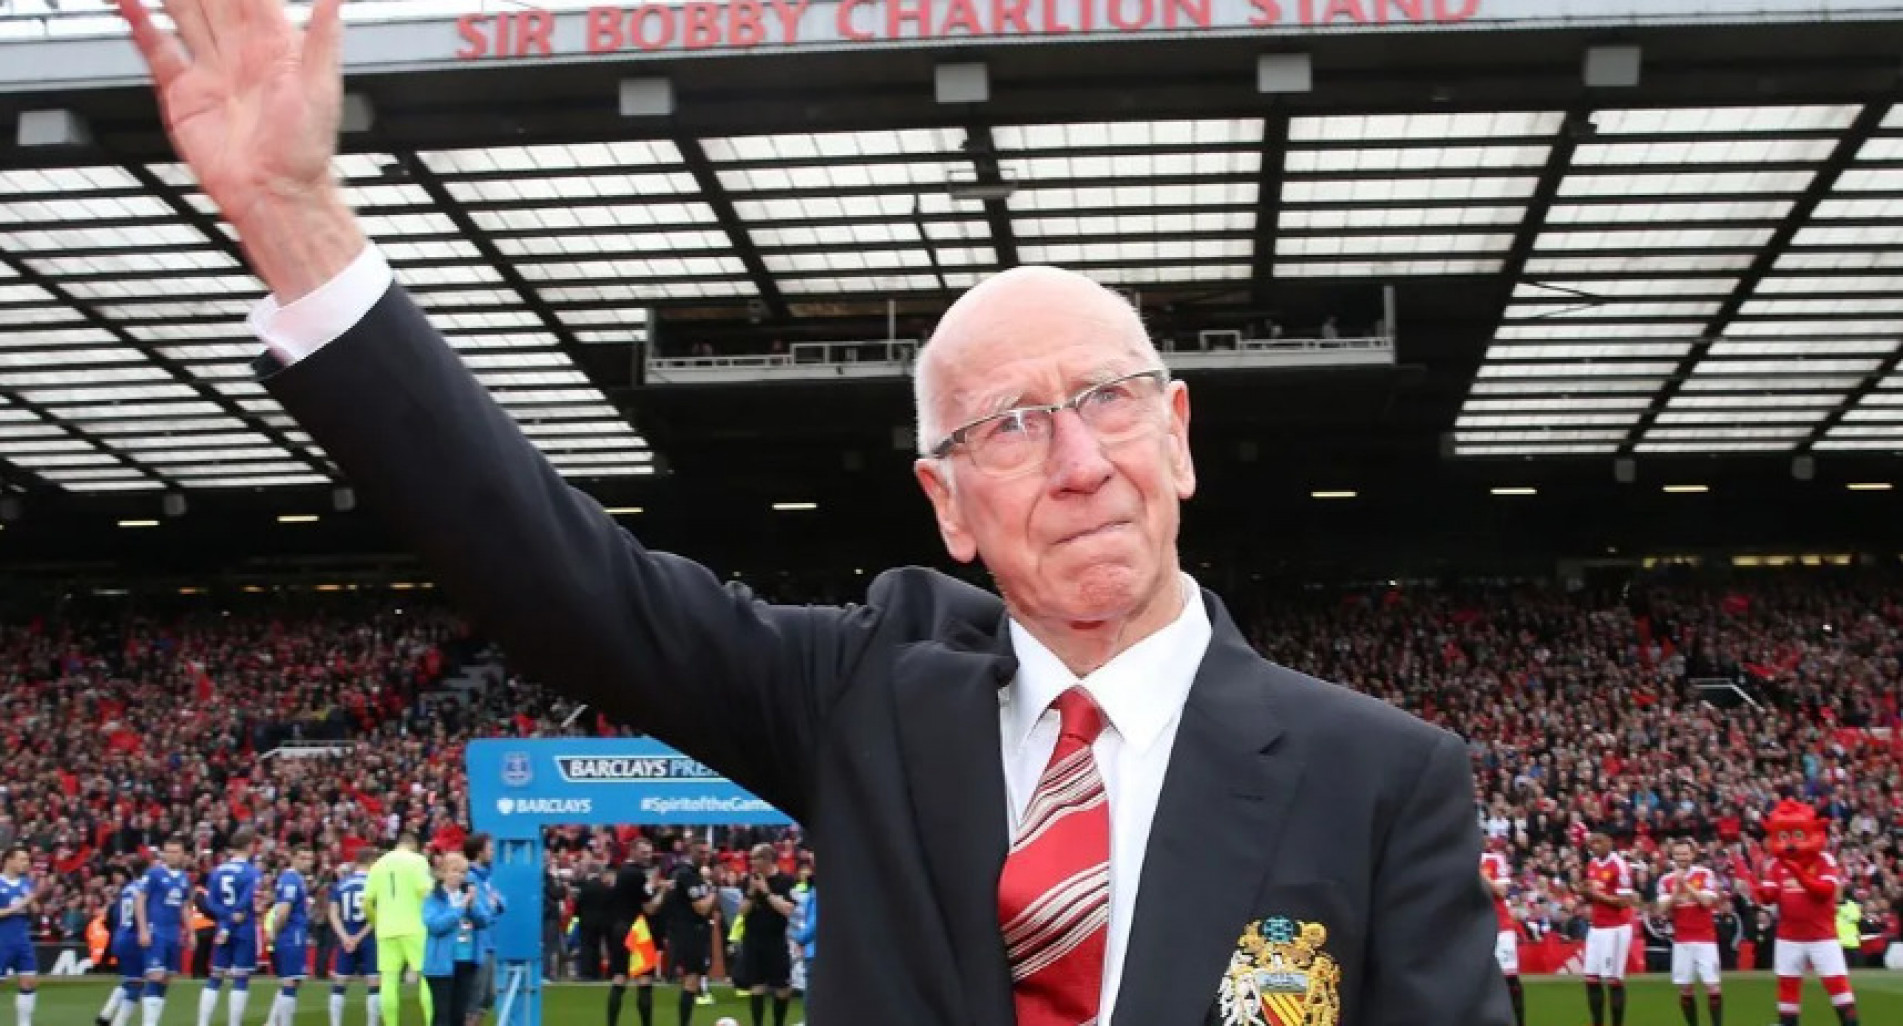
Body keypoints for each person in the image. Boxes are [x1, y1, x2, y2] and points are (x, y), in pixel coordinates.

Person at [116, 0, 1511, 1021]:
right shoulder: (869, 694)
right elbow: (552, 575)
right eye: (1010, 425)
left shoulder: (1378, 779)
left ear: (1179, 434)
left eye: (1110, 397)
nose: (1080, 460)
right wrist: (298, 218)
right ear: (945, 503)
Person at [366, 832, 437, 1025]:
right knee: (426, 977)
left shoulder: (378, 864)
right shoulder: (418, 861)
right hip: (415, 927)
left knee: (388, 980)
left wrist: (376, 922)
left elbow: (366, 901)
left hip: (386, 929)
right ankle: (431, 1022)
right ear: (414, 845)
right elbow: (426, 891)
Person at [200, 828, 263, 1026]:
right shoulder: (252, 872)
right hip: (243, 929)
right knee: (241, 978)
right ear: (248, 846)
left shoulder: (218, 871)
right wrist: (234, 917)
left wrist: (225, 920)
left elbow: (210, 902)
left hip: (222, 928)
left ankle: (202, 1022)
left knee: (215, 977)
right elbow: (245, 901)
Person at [1656, 839, 1723, 1026]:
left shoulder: (1705, 874)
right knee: (1685, 989)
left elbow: (1707, 902)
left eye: (1685, 854)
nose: (1681, 857)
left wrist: (1687, 885)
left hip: (1705, 939)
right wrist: (1676, 892)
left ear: (1692, 854)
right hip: (1682, 940)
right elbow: (1662, 909)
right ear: (1673, 856)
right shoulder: (1666, 880)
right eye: (1677, 854)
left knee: (1712, 986)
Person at [423, 853, 494, 1026]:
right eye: (454, 871)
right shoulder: (433, 899)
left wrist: (473, 905)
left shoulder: (467, 898)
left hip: (466, 961)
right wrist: (460, 908)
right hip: (441, 965)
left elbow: (484, 920)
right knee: (442, 1016)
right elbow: (435, 925)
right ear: (443, 873)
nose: (458, 876)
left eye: (462, 872)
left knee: (459, 1015)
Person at [736, 844, 797, 1026]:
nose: (751, 862)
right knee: (757, 986)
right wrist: (752, 892)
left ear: (768, 860)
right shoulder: (749, 880)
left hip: (776, 939)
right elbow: (742, 911)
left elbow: (788, 909)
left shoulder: (786, 881)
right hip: (753, 939)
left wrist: (766, 891)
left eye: (755, 858)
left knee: (782, 988)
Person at [135, 836, 193, 1026]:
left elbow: (184, 906)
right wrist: (143, 929)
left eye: (175, 852)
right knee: (155, 975)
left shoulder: (184, 878)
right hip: (156, 930)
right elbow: (140, 900)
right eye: (168, 851)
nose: (171, 855)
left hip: (173, 933)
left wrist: (190, 931)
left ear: (183, 854)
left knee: (166, 978)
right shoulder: (154, 874)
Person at [1580, 832, 1636, 1026]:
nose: (1595, 846)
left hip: (1616, 928)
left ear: (1610, 842)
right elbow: (1594, 896)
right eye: (1592, 842)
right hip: (1596, 927)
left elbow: (1625, 902)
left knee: (1613, 981)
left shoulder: (1620, 866)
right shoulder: (1593, 864)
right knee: (1591, 979)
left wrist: (1597, 895)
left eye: (1599, 842)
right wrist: (1585, 893)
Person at [657, 843, 716, 1026]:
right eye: (701, 852)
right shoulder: (689, 875)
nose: (705, 856)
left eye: (707, 852)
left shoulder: (677, 872)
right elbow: (701, 908)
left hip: (681, 930)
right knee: (692, 979)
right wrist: (713, 891)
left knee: (692, 978)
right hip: (692, 931)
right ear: (691, 852)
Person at [609, 840, 660, 1026]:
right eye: (644, 852)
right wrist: (661, 890)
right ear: (632, 852)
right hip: (637, 930)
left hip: (619, 928)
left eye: (649, 852)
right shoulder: (638, 875)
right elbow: (650, 908)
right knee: (644, 979)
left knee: (619, 977)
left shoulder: (622, 872)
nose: (648, 856)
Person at [265, 845, 317, 1026]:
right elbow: (284, 910)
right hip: (291, 935)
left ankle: (272, 1023)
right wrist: (274, 932)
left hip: (294, 934)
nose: (307, 862)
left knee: (293, 981)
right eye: (302, 858)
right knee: (290, 982)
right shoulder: (290, 879)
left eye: (309, 858)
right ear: (293, 858)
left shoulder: (296, 879)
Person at [330, 850, 382, 1026]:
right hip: (368, 938)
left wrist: (346, 937)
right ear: (371, 862)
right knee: (374, 983)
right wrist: (358, 938)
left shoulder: (341, 884)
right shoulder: (374, 884)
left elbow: (333, 914)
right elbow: (378, 915)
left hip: (346, 936)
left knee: (340, 983)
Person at [1478, 840, 1524, 1026]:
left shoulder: (1494, 859)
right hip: (1477, 927)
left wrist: (1479, 873)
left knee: (1509, 979)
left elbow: (1501, 891)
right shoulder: (1458, 863)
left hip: (1500, 926)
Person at [461, 833, 505, 1026]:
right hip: (477, 943)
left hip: (489, 942)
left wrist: (494, 904)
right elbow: (481, 911)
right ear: (479, 852)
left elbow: (501, 900)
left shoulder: (486, 877)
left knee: (488, 996)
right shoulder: (471, 878)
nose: (493, 851)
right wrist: (493, 905)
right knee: (476, 997)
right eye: (490, 848)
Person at [97, 863, 146, 1026]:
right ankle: (119, 1022)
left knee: (128, 980)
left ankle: (105, 1016)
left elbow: (115, 915)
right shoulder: (146, 889)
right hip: (134, 938)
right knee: (136, 984)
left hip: (120, 936)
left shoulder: (126, 890)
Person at [0, 846, 40, 1026]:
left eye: (27, 860)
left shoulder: (26, 883)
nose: (27, 863)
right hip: (2, 940)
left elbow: (35, 910)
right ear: (9, 860)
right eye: (22, 859)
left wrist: (33, 902)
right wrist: (21, 904)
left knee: (29, 982)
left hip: (22, 940)